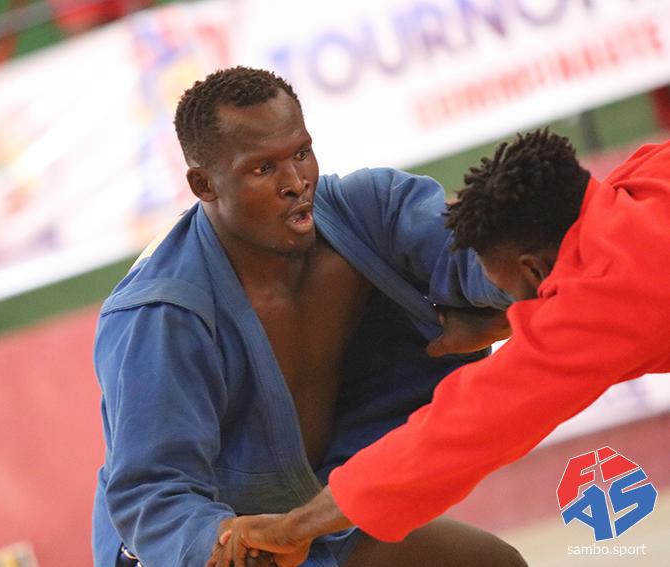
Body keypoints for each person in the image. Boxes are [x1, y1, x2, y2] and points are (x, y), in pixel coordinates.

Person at [93, 66, 525, 567]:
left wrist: (515, 288)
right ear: (204, 184)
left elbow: (476, 257)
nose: (296, 183)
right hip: (201, 549)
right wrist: (225, 544)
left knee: (492, 563)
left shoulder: (369, 210)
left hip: (314, 520)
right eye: (263, 168)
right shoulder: (160, 315)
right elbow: (151, 490)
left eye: (301, 153)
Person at [211, 129, 670, 566]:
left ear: (534, 268)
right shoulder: (648, 172)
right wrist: (503, 323)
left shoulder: (598, 302)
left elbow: (451, 436)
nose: (520, 307)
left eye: (508, 289)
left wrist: (292, 528)